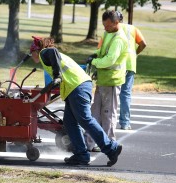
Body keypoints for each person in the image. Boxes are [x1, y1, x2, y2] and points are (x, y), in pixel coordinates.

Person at [29, 36, 122, 166]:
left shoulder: (45, 52)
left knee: (85, 119)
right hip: (76, 87)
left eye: (31, 52)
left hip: (77, 86)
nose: (31, 56)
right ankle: (81, 155)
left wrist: (56, 76)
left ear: (36, 50)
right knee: (70, 122)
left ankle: (111, 148)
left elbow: (53, 52)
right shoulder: (49, 58)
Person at [87, 10, 129, 147]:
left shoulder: (119, 39)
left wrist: (94, 62)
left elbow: (110, 60)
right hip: (103, 80)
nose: (105, 28)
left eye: (108, 25)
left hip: (112, 81)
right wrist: (95, 54)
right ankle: (90, 143)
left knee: (108, 114)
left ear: (117, 22)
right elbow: (103, 50)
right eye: (104, 25)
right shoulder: (108, 33)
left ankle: (109, 144)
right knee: (95, 113)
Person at [117, 11, 147, 130]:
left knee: (112, 93)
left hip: (117, 63)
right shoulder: (132, 28)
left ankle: (108, 121)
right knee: (125, 94)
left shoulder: (111, 29)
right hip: (130, 63)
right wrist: (135, 53)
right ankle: (125, 123)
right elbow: (143, 44)